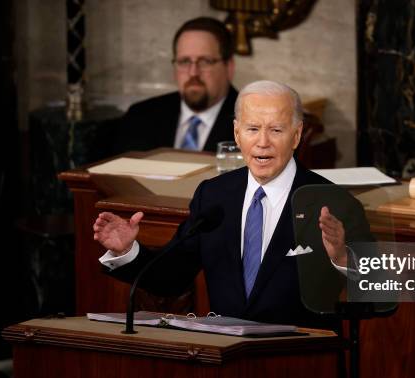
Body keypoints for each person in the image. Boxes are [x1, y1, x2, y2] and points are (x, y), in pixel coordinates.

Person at [93, 80, 372, 326]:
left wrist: (343, 259)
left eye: (276, 130)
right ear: (237, 134)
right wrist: (128, 250)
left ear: (297, 135)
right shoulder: (214, 196)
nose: (263, 142)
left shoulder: (333, 204)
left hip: (300, 363)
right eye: (252, 129)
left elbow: (378, 293)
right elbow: (173, 276)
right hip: (225, 362)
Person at [109, 17, 238, 155]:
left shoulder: (253, 123)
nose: (193, 72)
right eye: (184, 61)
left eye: (205, 61)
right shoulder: (140, 116)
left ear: (229, 67)